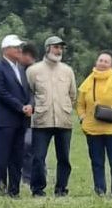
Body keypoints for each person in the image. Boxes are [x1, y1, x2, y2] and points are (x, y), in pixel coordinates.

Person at [26, 35, 77, 197]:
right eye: (56, 47)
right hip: (42, 120)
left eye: (61, 48)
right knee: (38, 158)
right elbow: (29, 93)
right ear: (47, 48)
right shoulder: (33, 70)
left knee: (64, 158)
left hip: (63, 119)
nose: (59, 50)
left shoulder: (68, 71)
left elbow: (73, 94)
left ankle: (61, 189)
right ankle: (38, 189)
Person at [76, 50, 112, 196]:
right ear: (96, 62)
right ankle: (100, 191)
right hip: (93, 130)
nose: (102, 63)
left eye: (106, 61)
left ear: (111, 65)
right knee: (97, 163)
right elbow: (80, 103)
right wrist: (82, 118)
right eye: (100, 60)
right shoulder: (88, 80)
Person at [0, 34, 32, 196]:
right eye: (16, 48)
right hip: (4, 120)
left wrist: (29, 105)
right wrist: (20, 107)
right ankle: (0, 189)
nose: (19, 50)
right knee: (1, 157)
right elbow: (1, 93)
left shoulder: (21, 68)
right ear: (6, 50)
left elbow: (27, 91)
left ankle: (14, 191)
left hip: (20, 120)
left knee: (17, 157)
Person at [19, 41, 38, 186]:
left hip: (35, 115)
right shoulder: (19, 69)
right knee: (24, 145)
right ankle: (25, 176)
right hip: (21, 113)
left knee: (30, 145)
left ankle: (30, 176)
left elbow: (35, 92)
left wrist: (31, 105)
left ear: (28, 55)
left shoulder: (37, 71)